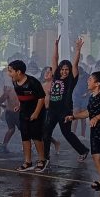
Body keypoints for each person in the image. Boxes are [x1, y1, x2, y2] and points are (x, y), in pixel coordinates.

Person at [41, 36, 89, 168]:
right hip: (52, 109)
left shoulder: (71, 79)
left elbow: (75, 64)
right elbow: (54, 60)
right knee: (46, 132)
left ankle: (83, 150)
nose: (64, 71)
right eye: (62, 69)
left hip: (65, 110)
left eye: (66, 69)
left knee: (67, 133)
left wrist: (78, 50)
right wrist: (56, 46)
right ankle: (45, 157)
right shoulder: (56, 75)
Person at [8, 60, 47, 172]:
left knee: (36, 137)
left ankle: (42, 160)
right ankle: (27, 162)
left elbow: (41, 98)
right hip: (24, 112)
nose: (9, 74)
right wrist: (20, 106)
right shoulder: (15, 82)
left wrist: (36, 113)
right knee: (25, 137)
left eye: (10, 71)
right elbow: (22, 96)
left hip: (37, 113)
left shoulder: (33, 82)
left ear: (18, 72)